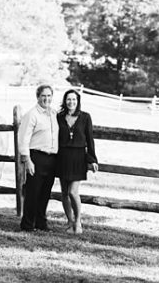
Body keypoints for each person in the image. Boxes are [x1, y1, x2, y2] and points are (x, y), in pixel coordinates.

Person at [57, 88, 99, 234]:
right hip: (62, 157)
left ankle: (78, 221)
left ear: (78, 101)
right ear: (65, 101)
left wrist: (92, 159)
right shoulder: (59, 117)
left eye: (74, 99)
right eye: (68, 99)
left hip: (78, 157)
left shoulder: (85, 117)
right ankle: (69, 222)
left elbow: (90, 139)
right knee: (64, 192)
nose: (71, 102)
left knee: (73, 192)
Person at [18, 83, 59, 232]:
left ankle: (40, 222)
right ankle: (27, 224)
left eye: (49, 96)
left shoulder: (54, 114)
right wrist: (27, 160)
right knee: (33, 192)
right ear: (38, 97)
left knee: (45, 192)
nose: (46, 99)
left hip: (52, 158)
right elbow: (23, 139)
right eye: (43, 96)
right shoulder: (32, 114)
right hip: (36, 157)